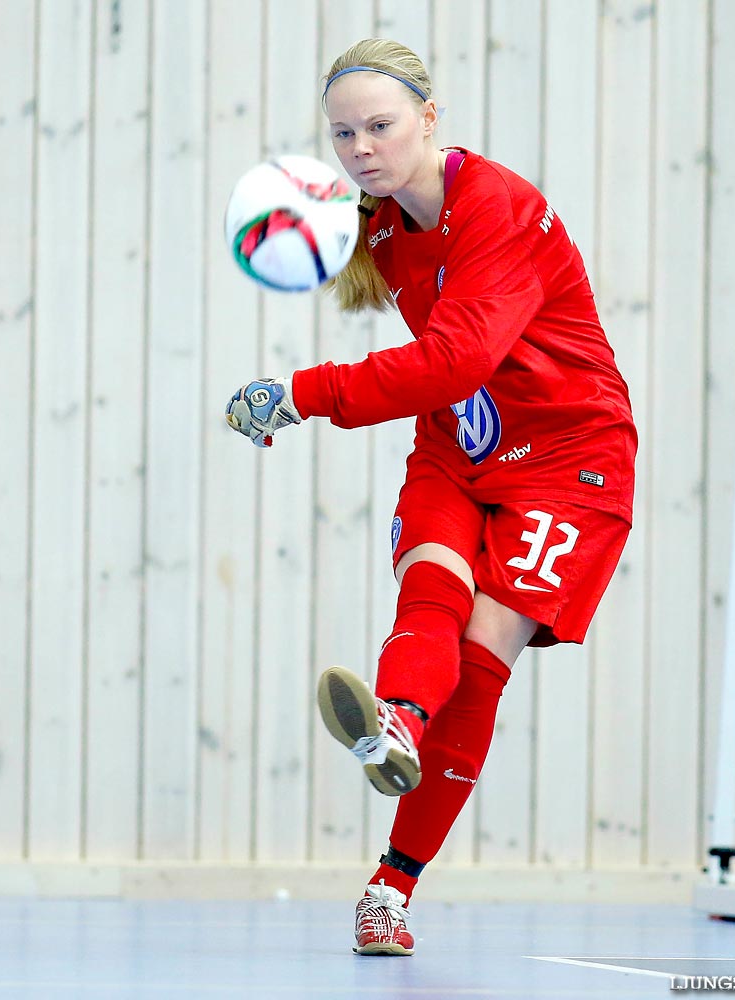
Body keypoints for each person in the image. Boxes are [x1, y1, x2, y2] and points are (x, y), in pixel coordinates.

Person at [226, 38, 636, 957]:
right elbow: (435, 368)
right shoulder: (375, 223)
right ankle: (398, 725)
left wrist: (303, 393)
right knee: (429, 588)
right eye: (344, 132)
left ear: (429, 120)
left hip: (570, 459)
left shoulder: (502, 208)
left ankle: (390, 889)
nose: (362, 146)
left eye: (381, 125)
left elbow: (456, 359)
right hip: (458, 445)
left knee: (485, 647)